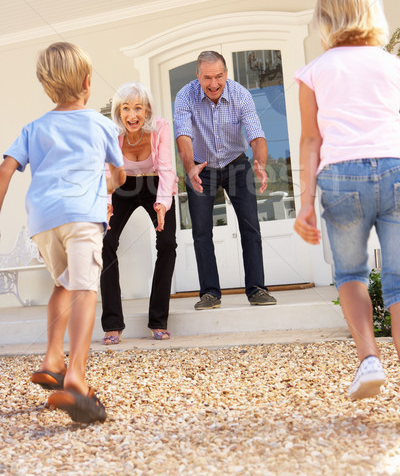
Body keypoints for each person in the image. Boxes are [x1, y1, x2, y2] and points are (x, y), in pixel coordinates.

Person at [0, 42, 126, 423]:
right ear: (88, 82)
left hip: (42, 220)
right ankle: (75, 377)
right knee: (87, 288)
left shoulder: (34, 127)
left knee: (63, 285)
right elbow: (119, 174)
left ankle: (53, 357)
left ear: (46, 86)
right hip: (81, 217)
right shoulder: (102, 124)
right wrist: (109, 185)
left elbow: (6, 169)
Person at [294, 0, 400, 400]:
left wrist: (304, 203)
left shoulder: (314, 72)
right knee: (399, 282)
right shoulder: (392, 64)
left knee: (351, 273)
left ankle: (369, 360)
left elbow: (309, 140)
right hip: (396, 166)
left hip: (341, 176)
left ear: (324, 20)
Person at [174, 50, 277, 310]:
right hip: (201, 165)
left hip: (235, 162)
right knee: (201, 231)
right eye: (207, 77)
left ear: (226, 74)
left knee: (250, 225)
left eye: (219, 76)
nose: (213, 83)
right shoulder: (185, 96)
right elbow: (183, 136)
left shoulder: (240, 94)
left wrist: (260, 164)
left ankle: (257, 289)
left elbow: (255, 133)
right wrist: (190, 168)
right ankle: (210, 293)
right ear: (197, 76)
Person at [100, 82, 178, 342]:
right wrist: (107, 204)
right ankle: (112, 324)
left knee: (167, 242)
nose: (132, 115)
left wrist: (162, 204)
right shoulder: (111, 133)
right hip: (122, 185)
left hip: (156, 184)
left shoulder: (161, 127)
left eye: (138, 108)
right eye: (125, 108)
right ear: (118, 111)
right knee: (106, 241)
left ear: (147, 110)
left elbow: (166, 168)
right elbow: (106, 171)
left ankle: (158, 320)